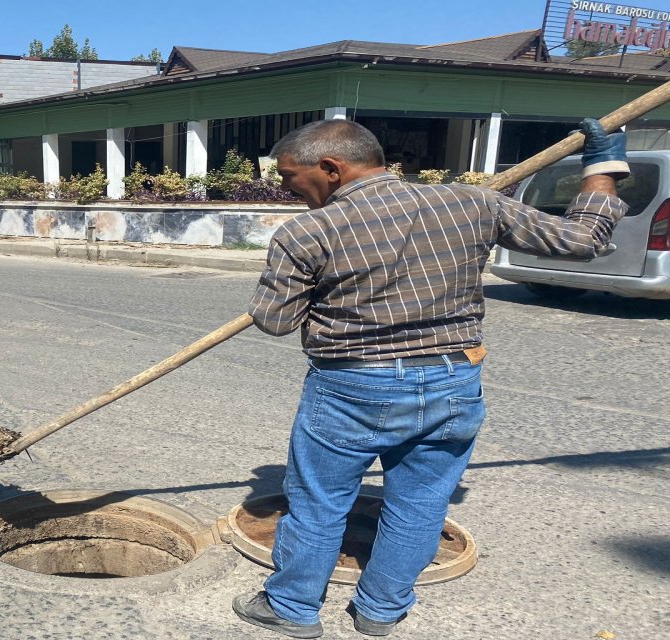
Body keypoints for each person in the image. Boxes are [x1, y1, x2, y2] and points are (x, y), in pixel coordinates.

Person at [233, 119, 628, 639]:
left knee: (318, 503)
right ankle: (380, 611)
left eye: (289, 176)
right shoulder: (472, 205)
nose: (285, 187)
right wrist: (603, 168)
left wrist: (311, 286)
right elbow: (582, 239)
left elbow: (275, 320)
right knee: (419, 503)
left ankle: (291, 607)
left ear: (331, 168)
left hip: (353, 388)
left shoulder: (308, 232)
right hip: (452, 381)